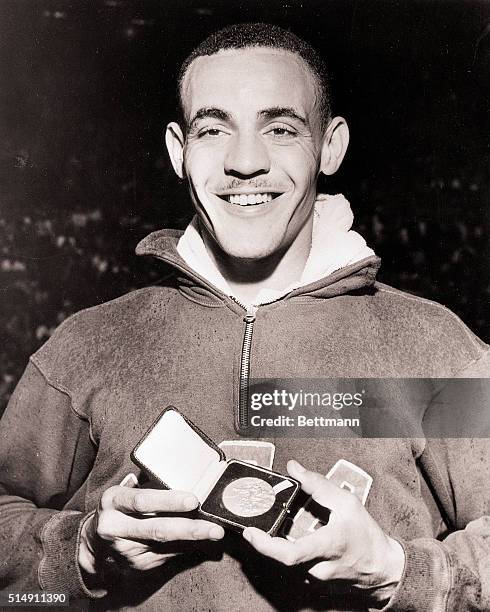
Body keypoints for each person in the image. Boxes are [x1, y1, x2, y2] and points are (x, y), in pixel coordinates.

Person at [0, 22, 489, 612]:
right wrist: (78, 554)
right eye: (213, 129)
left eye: (280, 129)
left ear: (330, 146)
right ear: (179, 151)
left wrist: (396, 572)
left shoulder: (435, 349)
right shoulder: (87, 346)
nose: (246, 162)